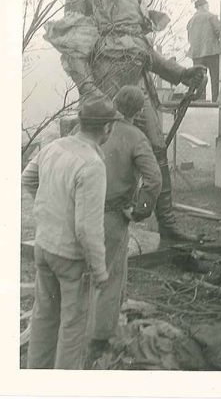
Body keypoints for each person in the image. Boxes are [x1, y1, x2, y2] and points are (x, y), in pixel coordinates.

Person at [44, 0, 205, 242]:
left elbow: (142, 48)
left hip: (137, 85)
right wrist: (90, 91)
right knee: (104, 152)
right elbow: (73, 44)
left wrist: (180, 72)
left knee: (156, 148)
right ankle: (90, 225)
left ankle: (167, 224)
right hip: (105, 83)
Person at [21, 98, 122, 369]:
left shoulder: (54, 147)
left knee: (44, 318)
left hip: (44, 247)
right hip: (70, 259)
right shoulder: (92, 165)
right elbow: (87, 229)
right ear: (107, 128)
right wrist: (100, 270)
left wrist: (53, 207)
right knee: (73, 329)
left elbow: (28, 179)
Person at [87, 85, 162, 364]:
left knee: (83, 272)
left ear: (114, 100)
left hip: (81, 211)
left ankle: (81, 328)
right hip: (111, 217)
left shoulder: (90, 128)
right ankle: (99, 340)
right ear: (139, 110)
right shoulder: (135, 137)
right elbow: (154, 179)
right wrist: (141, 210)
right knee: (109, 276)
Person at [187, 0, 220, 102]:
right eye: (207, 5)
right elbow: (219, 31)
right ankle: (215, 101)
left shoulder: (191, 21)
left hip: (196, 54)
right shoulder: (211, 17)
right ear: (203, 6)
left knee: (199, 80)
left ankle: (200, 101)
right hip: (212, 52)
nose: (208, 7)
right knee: (215, 78)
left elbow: (189, 38)